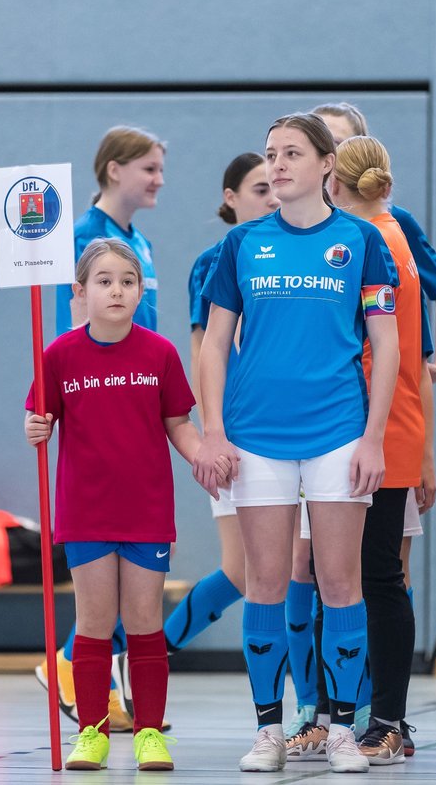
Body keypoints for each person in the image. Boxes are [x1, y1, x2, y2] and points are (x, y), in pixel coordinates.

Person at [193, 113, 399, 774]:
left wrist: (374, 437)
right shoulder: (242, 245)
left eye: (291, 154)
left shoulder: (363, 242)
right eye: (270, 154)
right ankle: (268, 731)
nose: (277, 165)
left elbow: (389, 346)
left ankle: (342, 731)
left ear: (325, 166)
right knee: (266, 581)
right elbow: (214, 345)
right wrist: (214, 432)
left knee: (340, 582)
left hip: (340, 430)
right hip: (255, 436)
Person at [25, 238, 215, 772]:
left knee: (144, 622)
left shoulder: (160, 353)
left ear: (139, 292)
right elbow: (41, 419)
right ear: (80, 293)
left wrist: (205, 458)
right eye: (104, 282)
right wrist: (35, 426)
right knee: (93, 621)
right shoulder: (59, 355)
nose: (116, 291)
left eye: (127, 282)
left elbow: (178, 423)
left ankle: (150, 732)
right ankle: (92, 732)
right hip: (85, 512)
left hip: (147, 511)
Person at [305, 102, 436, 756]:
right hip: (373, 426)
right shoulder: (374, 233)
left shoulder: (373, 242)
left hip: (374, 429)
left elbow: (388, 351)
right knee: (353, 576)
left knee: (373, 578)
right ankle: (353, 715)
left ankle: (386, 722)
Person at [40, 125, 166, 731]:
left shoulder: (137, 240)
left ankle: (89, 676)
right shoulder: (90, 238)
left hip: (145, 406)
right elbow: (75, 338)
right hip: (100, 421)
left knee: (133, 600)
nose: (158, 179)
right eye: (148, 167)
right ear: (113, 169)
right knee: (101, 599)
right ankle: (73, 669)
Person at [161, 153, 279, 655]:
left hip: (287, 431)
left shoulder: (292, 250)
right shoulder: (217, 260)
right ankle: (116, 656)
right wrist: (214, 432)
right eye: (259, 189)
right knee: (243, 569)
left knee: (268, 571)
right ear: (230, 199)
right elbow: (202, 348)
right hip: (237, 432)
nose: (272, 197)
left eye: (275, 186)